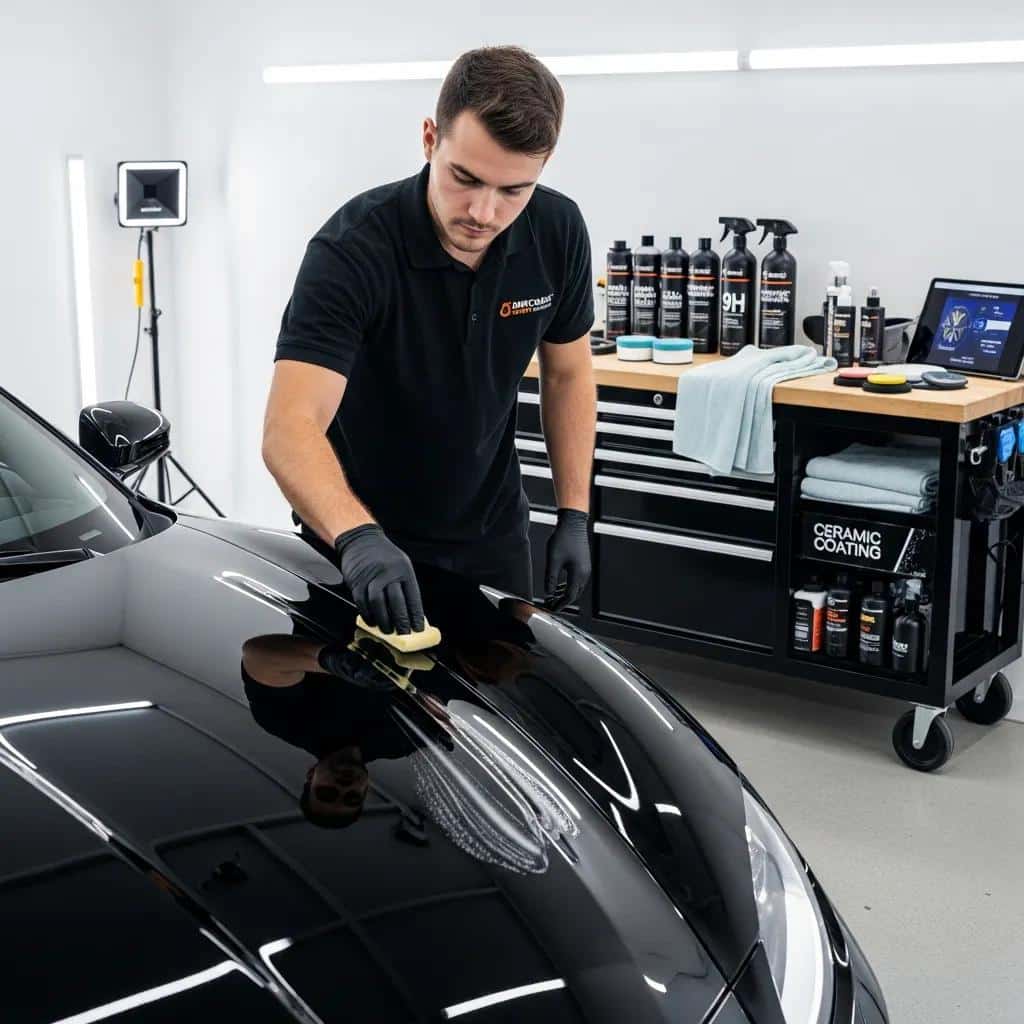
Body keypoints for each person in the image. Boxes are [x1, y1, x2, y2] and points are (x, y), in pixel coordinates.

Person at [263, 45, 596, 638]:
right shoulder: (351, 251)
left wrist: (574, 512)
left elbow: (568, 372)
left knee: (498, 718)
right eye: (464, 178)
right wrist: (358, 538)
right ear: (428, 139)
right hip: (358, 546)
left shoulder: (557, 231)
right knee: (363, 724)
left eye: (513, 190)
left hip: (493, 541)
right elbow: (290, 426)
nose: (484, 212)